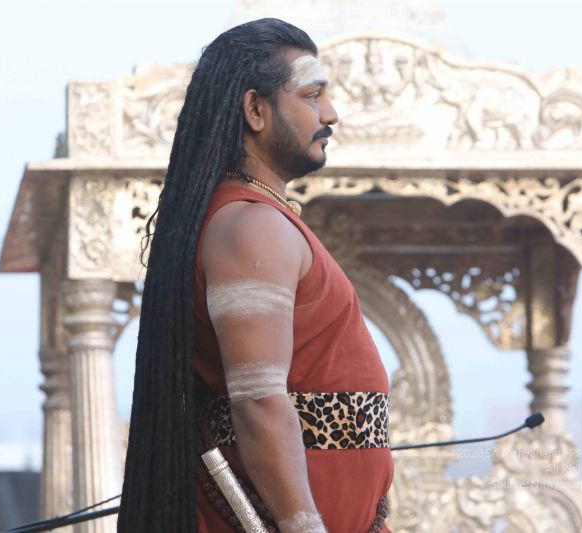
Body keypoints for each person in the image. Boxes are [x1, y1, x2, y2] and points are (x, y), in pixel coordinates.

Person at [118, 18, 393, 533]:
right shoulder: (251, 226)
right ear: (256, 110)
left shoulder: (259, 218)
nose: (331, 113)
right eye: (312, 96)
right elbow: (260, 402)